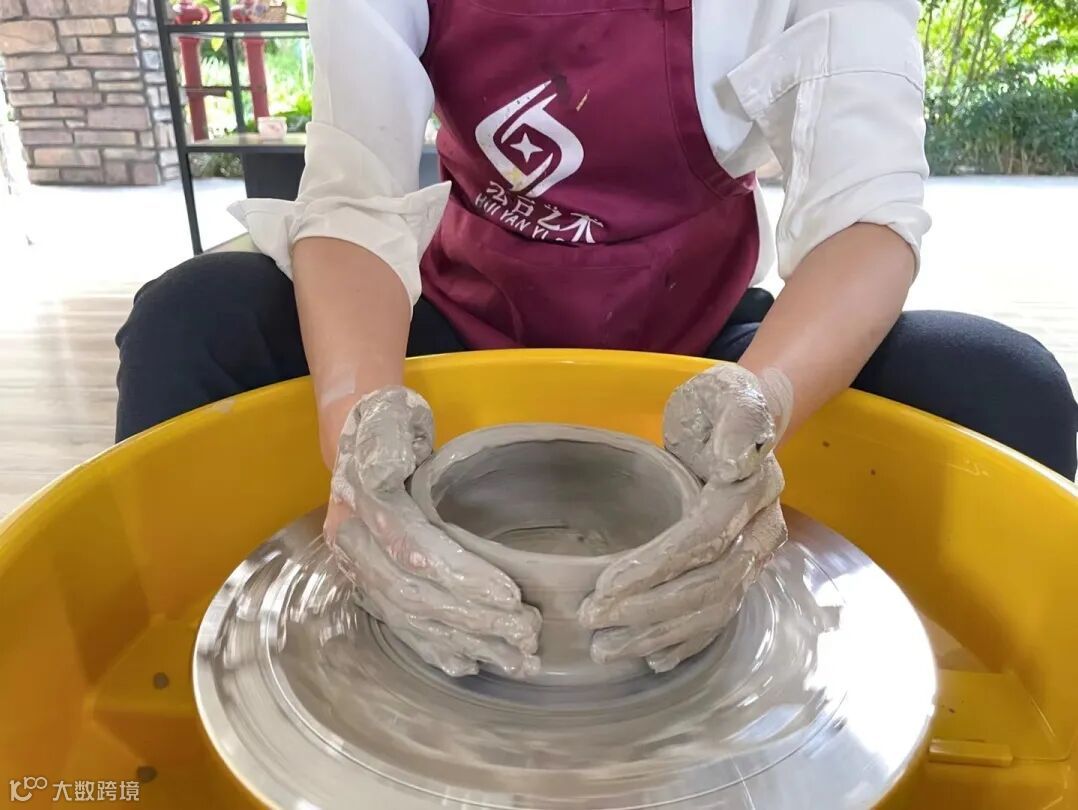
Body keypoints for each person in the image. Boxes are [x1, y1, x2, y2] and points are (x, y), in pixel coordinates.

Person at [116, 0, 1077, 679]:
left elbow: (865, 214)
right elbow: (354, 195)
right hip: (464, 324)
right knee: (189, 324)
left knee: (1004, 389)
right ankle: (176, 687)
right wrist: (355, 426)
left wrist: (760, 402)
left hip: (695, 356)